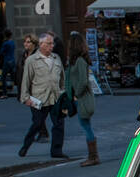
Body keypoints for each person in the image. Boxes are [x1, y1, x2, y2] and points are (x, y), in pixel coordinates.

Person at [18, 32, 70, 159]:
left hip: (55, 97)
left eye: (52, 43)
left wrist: (63, 93)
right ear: (41, 44)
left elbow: (62, 79)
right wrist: (25, 98)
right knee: (37, 124)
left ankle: (56, 150)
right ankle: (25, 146)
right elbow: (26, 80)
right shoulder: (32, 60)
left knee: (59, 124)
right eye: (49, 43)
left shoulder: (56, 58)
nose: (52, 46)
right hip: (39, 98)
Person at [64, 33, 99, 167]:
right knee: (86, 126)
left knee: (86, 126)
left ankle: (93, 156)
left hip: (82, 99)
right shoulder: (76, 60)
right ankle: (93, 155)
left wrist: (77, 94)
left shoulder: (80, 61)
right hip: (80, 98)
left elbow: (83, 81)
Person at [0, 29, 17, 98]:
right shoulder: (12, 42)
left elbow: (1, 52)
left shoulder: (5, 43)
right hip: (12, 60)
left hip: (7, 61)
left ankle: (4, 93)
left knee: (3, 77)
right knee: (14, 77)